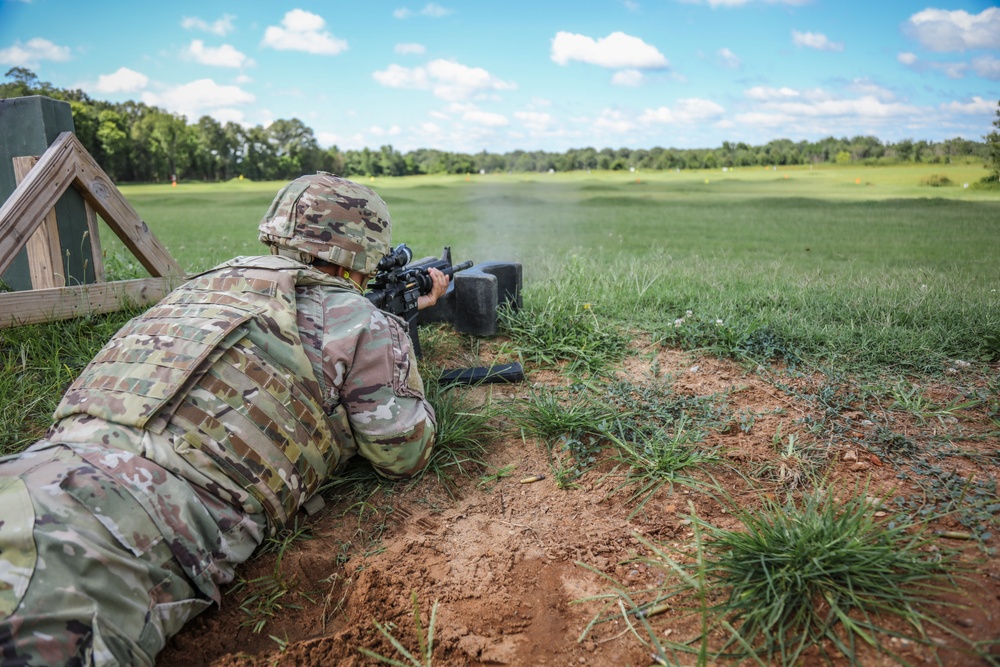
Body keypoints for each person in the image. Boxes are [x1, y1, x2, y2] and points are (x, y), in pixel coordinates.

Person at [0, 173, 448, 666]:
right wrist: (398, 352)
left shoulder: (203, 286)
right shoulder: (361, 320)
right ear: (365, 254)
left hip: (38, 463)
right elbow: (403, 453)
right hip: (136, 518)